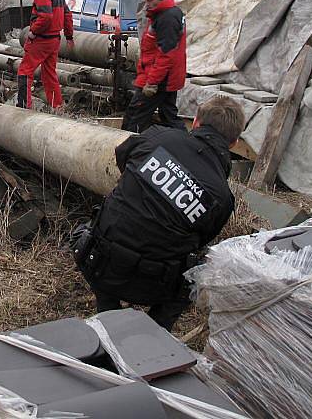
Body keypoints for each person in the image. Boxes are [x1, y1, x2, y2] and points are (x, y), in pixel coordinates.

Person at [75, 96, 245, 330]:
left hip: (99, 262)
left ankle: (108, 313)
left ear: (195, 122)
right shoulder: (223, 198)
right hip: (154, 285)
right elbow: (201, 239)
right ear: (234, 143)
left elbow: (123, 156)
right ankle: (154, 333)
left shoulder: (158, 136)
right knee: (194, 274)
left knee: (102, 234)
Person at [121, 0, 186, 133]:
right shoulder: (163, 14)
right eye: (146, 0)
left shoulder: (167, 18)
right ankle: (188, 146)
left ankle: (128, 145)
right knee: (169, 116)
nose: (147, 4)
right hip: (163, 76)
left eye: (150, 0)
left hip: (160, 78)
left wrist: (152, 82)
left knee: (136, 114)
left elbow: (166, 55)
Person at [17, 0, 74, 110]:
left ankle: (24, 107)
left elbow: (45, 16)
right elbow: (67, 14)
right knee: (49, 74)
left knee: (24, 71)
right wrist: (69, 36)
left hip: (42, 39)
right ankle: (57, 107)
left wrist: (33, 32)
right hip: (55, 39)